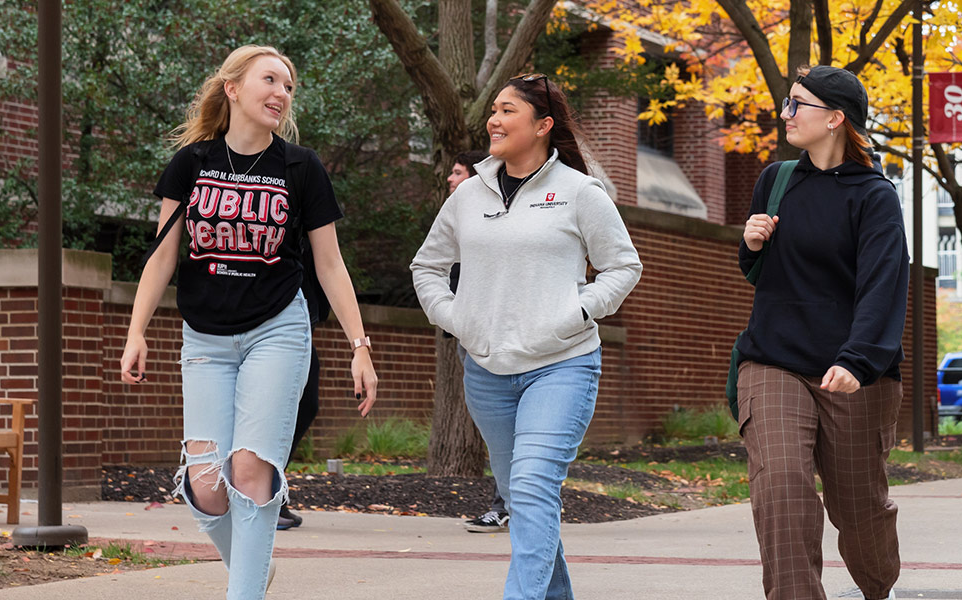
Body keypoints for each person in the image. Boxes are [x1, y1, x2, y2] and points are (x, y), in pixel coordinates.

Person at [119, 45, 379, 599]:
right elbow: (164, 254)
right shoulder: (192, 164)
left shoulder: (300, 167)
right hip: (205, 337)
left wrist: (360, 345)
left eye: (288, 86)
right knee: (207, 485)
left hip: (277, 330)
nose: (282, 93)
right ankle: (252, 571)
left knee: (249, 470)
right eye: (270, 80)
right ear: (233, 89)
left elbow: (330, 264)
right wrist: (136, 331)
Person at [410, 73, 642, 600]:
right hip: (487, 372)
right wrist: (458, 318)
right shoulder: (468, 195)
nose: (493, 119)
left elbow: (622, 267)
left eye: (507, 110)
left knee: (534, 487)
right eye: (493, 109)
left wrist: (575, 313)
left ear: (542, 126)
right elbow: (427, 266)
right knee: (524, 496)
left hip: (562, 365)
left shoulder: (580, 192)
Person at [733, 65, 907, 600]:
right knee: (781, 487)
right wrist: (753, 244)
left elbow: (883, 286)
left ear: (835, 118)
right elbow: (759, 274)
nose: (785, 113)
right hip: (773, 360)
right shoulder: (776, 180)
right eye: (787, 103)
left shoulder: (874, 196)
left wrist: (858, 361)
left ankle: (880, 588)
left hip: (852, 372)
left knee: (858, 509)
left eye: (797, 104)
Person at [442, 149, 515, 534]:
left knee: (513, 432)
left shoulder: (497, 216)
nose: (450, 180)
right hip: (470, 333)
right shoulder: (457, 217)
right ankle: (510, 502)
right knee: (497, 431)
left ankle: (511, 504)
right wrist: (451, 316)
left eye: (457, 173)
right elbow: (429, 267)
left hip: (505, 337)